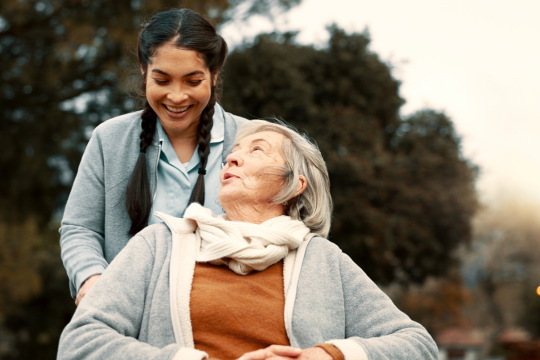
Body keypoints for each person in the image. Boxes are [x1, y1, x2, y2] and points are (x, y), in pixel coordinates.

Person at [57, 120, 438, 360]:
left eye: (256, 151)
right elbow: (80, 342)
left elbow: (417, 346)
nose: (232, 160)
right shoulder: (160, 244)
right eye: (232, 153)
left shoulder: (323, 260)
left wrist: (326, 356)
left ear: (293, 185)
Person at [59, 9, 247, 304]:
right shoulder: (109, 139)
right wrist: (91, 278)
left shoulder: (254, 141)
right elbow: (80, 228)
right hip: (129, 316)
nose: (176, 96)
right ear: (144, 72)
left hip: (226, 318)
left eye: (192, 81)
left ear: (214, 76)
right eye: (162, 80)